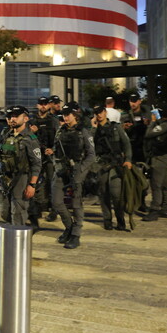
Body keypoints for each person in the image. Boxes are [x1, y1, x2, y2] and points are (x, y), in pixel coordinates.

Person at [52, 106, 95, 249]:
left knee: (76, 204)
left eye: (68, 114)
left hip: (77, 169)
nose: (65, 117)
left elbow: (91, 155)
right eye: (64, 114)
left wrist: (81, 170)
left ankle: (76, 234)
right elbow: (55, 150)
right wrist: (56, 163)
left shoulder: (83, 132)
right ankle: (69, 227)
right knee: (56, 201)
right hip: (61, 169)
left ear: (75, 115)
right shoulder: (60, 131)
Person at [0, 106, 41, 227]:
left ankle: (18, 233)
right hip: (4, 178)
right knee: (4, 212)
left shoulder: (30, 138)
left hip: (21, 178)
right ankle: (15, 229)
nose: (12, 119)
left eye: (15, 116)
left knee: (17, 212)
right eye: (9, 116)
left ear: (25, 119)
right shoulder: (5, 135)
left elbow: (36, 163)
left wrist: (32, 185)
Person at [92, 105, 132, 230]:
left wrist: (128, 160)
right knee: (103, 193)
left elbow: (126, 144)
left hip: (116, 164)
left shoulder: (116, 127)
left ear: (105, 112)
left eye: (101, 112)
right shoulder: (94, 130)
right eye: (96, 113)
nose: (99, 115)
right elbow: (89, 146)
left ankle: (120, 220)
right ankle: (107, 220)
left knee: (116, 194)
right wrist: (93, 128)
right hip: (101, 164)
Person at [143, 106, 167, 222]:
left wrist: (152, 122)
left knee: (156, 185)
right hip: (166, 158)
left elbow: (148, 134)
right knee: (166, 184)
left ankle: (154, 210)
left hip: (160, 158)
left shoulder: (165, 125)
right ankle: (166, 208)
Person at [28, 96, 59, 225]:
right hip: (37, 156)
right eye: (41, 104)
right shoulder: (32, 121)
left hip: (50, 156)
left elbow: (59, 137)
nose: (43, 106)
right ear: (37, 105)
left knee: (52, 183)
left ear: (49, 105)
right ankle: (37, 210)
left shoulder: (53, 121)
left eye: (45, 104)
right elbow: (28, 139)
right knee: (35, 183)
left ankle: (54, 211)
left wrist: (53, 150)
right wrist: (33, 132)